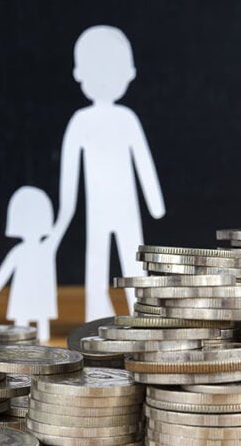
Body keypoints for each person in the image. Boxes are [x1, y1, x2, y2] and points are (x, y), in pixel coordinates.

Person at [49, 25, 166, 321]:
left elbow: (143, 162)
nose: (103, 80)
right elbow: (69, 175)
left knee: (133, 259)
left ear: (129, 73)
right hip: (99, 211)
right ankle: (96, 317)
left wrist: (154, 202)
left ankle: (141, 314)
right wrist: (64, 215)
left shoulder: (127, 119)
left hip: (125, 209)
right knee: (97, 261)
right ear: (79, 75)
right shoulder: (80, 121)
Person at [0, 186, 58, 342]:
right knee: (23, 336)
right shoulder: (44, 248)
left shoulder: (45, 248)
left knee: (39, 335)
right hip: (27, 302)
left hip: (33, 301)